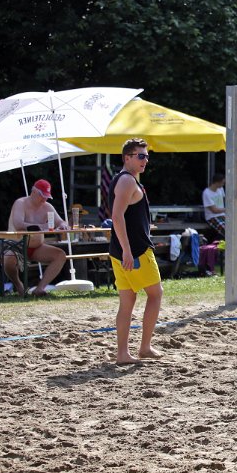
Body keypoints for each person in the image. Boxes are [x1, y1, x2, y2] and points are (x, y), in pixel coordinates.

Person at [108, 139, 164, 364]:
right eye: (140, 156)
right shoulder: (127, 180)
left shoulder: (124, 179)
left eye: (147, 156)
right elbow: (116, 216)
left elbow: (126, 216)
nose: (145, 160)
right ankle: (144, 347)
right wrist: (127, 251)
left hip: (121, 250)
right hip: (135, 252)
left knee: (127, 302)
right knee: (155, 294)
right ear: (127, 157)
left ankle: (123, 353)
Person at [3, 179, 68, 297]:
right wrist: (42, 226)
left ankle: (40, 288)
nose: (44, 199)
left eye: (46, 196)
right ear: (33, 191)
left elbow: (60, 221)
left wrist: (63, 225)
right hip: (16, 246)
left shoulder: (47, 207)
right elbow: (18, 225)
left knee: (60, 255)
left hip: (36, 248)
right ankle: (18, 284)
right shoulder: (20, 203)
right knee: (9, 258)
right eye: (42, 196)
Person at [202, 172, 226, 238]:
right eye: (222, 183)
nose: (223, 184)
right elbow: (214, 210)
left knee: (236, 226)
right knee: (226, 230)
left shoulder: (221, 189)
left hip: (222, 215)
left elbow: (224, 199)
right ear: (217, 182)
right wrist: (227, 209)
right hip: (212, 217)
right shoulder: (206, 193)